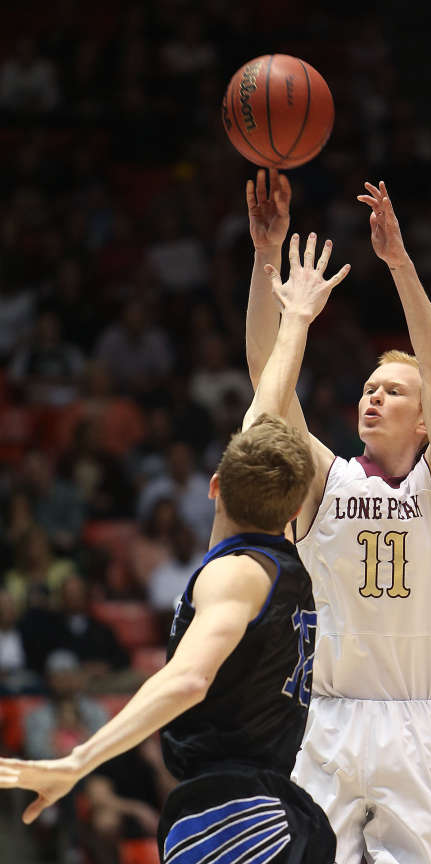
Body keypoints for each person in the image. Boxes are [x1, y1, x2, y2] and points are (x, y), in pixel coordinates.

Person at [0, 232, 350, 864]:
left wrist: (79, 760)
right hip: (280, 810)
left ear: (214, 488)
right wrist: (292, 308)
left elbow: (189, 677)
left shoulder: (236, 575)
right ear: (295, 509)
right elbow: (269, 398)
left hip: (233, 819)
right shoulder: (284, 558)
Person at [245, 170, 431, 862]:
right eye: (369, 387)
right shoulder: (328, 479)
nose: (373, 397)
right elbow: (267, 376)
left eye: (392, 391)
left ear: (424, 421)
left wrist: (399, 264)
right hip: (329, 722)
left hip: (414, 724)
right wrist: (265, 257)